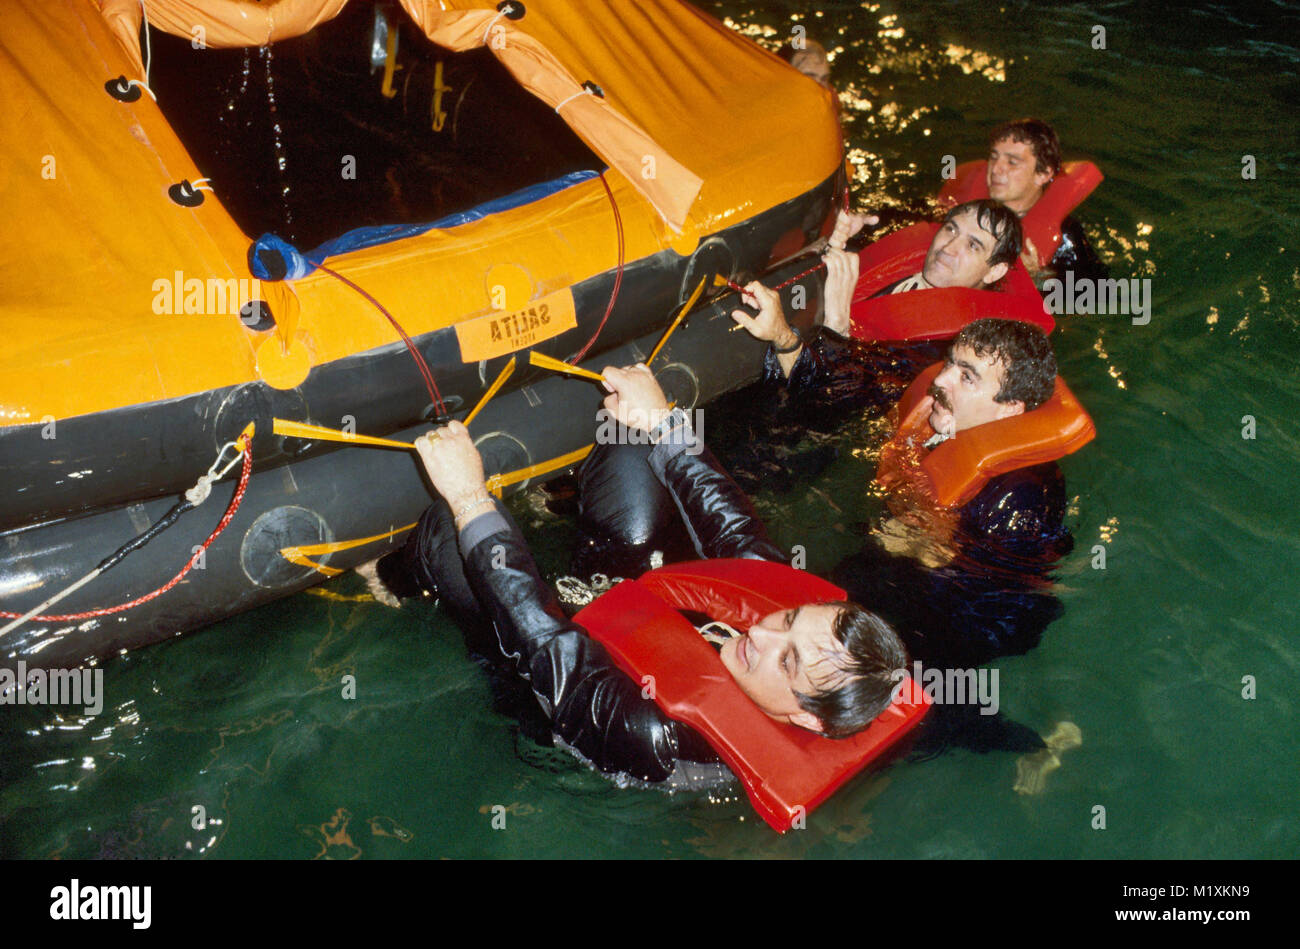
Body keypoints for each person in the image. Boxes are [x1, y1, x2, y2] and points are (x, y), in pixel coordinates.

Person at [364, 364, 908, 785]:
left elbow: (543, 639)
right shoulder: (770, 631)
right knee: (632, 445)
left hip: (550, 677)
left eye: (786, 659)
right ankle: (563, 503)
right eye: (788, 618)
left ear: (809, 721)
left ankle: (395, 581)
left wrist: (467, 497)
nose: (761, 631)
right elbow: (733, 525)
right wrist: (665, 421)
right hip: (632, 610)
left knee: (447, 528)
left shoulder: (659, 739)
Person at [982, 118, 1104, 280]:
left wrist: (1037, 278)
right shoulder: (967, 211)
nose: (996, 169)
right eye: (994, 157)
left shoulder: (1064, 237)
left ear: (1043, 174)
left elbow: (1098, 292)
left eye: (1012, 162)